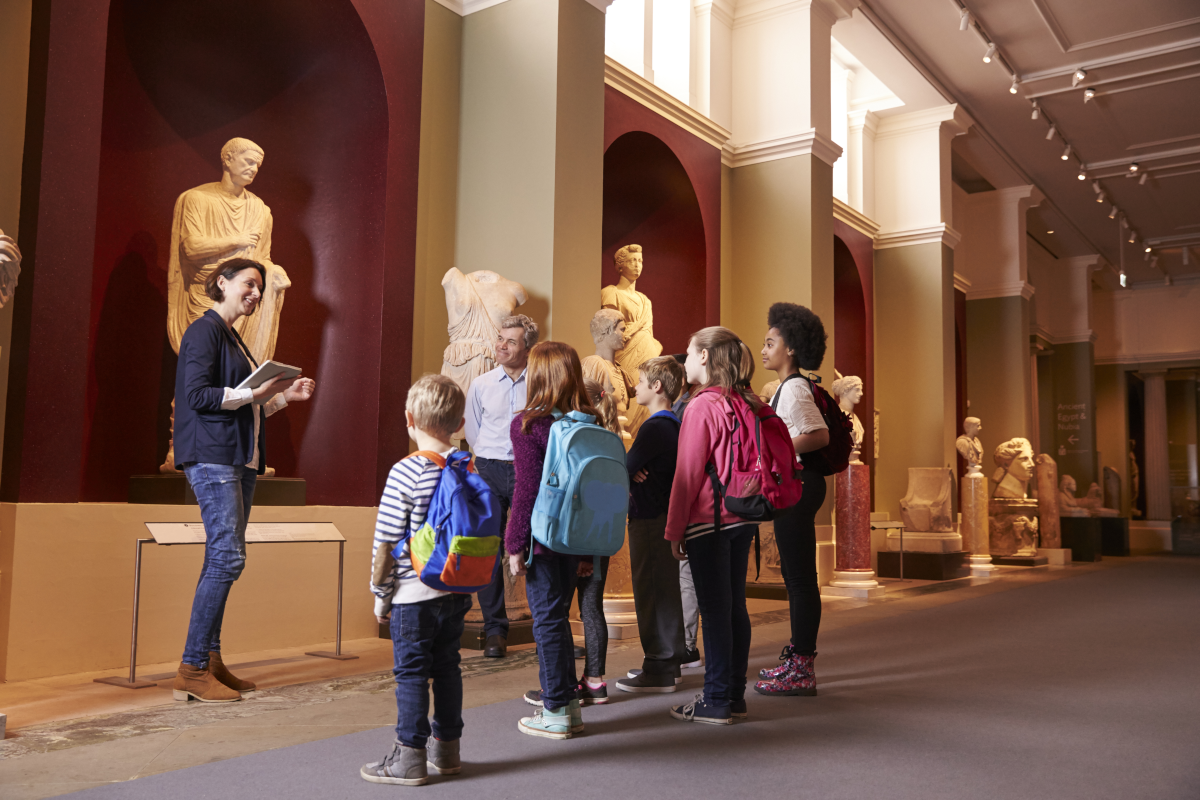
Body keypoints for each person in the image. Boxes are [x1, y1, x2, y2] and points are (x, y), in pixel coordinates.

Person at [171, 258, 315, 703]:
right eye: (249, 284)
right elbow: (195, 396)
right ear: (222, 283)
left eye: (260, 287)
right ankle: (192, 668)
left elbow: (244, 405)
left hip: (238, 459)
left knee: (222, 558)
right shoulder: (204, 330)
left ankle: (209, 661)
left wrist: (281, 397)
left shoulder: (235, 338)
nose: (256, 293)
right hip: (213, 459)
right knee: (228, 559)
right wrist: (256, 392)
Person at [361, 374, 472, 786]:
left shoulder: (406, 471)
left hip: (413, 593)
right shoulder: (466, 466)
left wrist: (380, 595)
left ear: (409, 419)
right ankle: (448, 751)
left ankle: (409, 757)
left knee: (410, 673)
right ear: (459, 424)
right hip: (456, 589)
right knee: (447, 667)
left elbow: (386, 540)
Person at [665, 326, 762, 725]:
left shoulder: (702, 406)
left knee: (715, 612)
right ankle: (733, 694)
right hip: (743, 517)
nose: (684, 360)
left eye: (688, 353)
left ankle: (716, 698)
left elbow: (687, 473)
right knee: (734, 607)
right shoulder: (745, 401)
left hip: (708, 520)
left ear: (704, 356)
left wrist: (674, 531)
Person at [507, 342, 596, 739]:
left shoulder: (530, 424)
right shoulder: (589, 423)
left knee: (546, 621)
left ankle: (556, 708)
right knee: (559, 617)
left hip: (544, 537)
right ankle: (571, 707)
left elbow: (526, 489)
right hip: (579, 536)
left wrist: (513, 544)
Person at [754, 303, 829, 697]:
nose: (763, 349)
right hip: (800, 485)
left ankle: (802, 668)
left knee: (800, 580)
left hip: (800, 486)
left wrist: (776, 450)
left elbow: (818, 435)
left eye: (770, 343)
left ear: (792, 349)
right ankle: (798, 660)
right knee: (797, 578)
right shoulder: (790, 387)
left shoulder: (796, 388)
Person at [463, 314, 539, 658]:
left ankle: (545, 626)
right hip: (490, 469)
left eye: (510, 340)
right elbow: (473, 431)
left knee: (537, 546)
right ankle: (495, 630)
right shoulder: (481, 384)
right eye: (500, 338)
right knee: (489, 549)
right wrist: (488, 458)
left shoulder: (539, 383)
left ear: (527, 347)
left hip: (528, 468)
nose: (501, 345)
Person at [617, 356, 690, 693]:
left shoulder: (653, 427)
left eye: (641, 381)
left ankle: (659, 666)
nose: (635, 387)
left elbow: (622, 470)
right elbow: (631, 469)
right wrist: (633, 470)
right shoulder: (674, 424)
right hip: (664, 516)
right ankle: (669, 662)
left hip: (648, 518)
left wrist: (631, 471)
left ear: (657, 387)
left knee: (650, 590)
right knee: (665, 590)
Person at [670, 354, 703, 670]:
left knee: (688, 578)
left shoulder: (689, 408)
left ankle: (689, 647)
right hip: (729, 506)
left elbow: (685, 466)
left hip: (701, 507)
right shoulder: (742, 403)